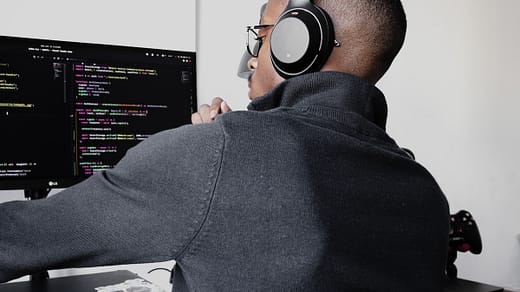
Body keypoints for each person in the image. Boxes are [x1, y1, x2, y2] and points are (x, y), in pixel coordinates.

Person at [0, 0, 450, 291]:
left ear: (301, 40)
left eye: (262, 34)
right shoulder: (424, 189)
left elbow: (16, 239)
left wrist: (210, 151)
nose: (252, 56)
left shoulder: (217, 153)